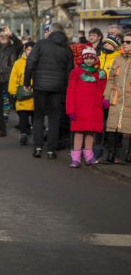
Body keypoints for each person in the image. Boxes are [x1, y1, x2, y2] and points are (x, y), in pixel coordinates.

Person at [25, 22, 74, 159]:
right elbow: (69, 71)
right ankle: (51, 150)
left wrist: (26, 82)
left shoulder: (41, 44)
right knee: (54, 118)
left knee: (39, 117)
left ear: (51, 32)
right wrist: (66, 88)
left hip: (40, 85)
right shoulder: (67, 49)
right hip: (58, 87)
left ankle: (38, 147)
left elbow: (30, 63)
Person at [65, 45, 107, 168]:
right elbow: (71, 91)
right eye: (86, 58)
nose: (89, 60)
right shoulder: (76, 72)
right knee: (78, 133)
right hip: (79, 108)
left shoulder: (100, 74)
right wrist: (70, 109)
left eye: (91, 58)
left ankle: (89, 156)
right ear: (83, 59)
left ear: (95, 59)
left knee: (90, 132)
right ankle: (76, 158)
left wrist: (104, 99)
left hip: (94, 108)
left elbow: (103, 89)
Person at [0, 26, 21, 137]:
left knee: (15, 102)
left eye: (4, 35)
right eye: (0, 35)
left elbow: (20, 45)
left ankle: (24, 125)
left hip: (8, 78)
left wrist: (11, 34)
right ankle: (2, 129)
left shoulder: (13, 47)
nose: (2, 36)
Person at [103, 31, 131, 164]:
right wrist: (106, 95)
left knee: (128, 127)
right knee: (111, 127)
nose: (124, 44)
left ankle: (128, 155)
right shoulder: (118, 58)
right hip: (116, 98)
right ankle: (111, 154)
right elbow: (111, 79)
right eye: (124, 42)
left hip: (129, 99)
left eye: (128, 42)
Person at [8, 41, 35, 145]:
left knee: (35, 116)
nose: (30, 52)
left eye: (32, 50)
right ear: (25, 50)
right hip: (22, 93)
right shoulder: (18, 63)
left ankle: (37, 134)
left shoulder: (39, 62)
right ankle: (23, 133)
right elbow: (13, 78)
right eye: (28, 49)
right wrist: (13, 91)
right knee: (23, 115)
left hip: (35, 94)